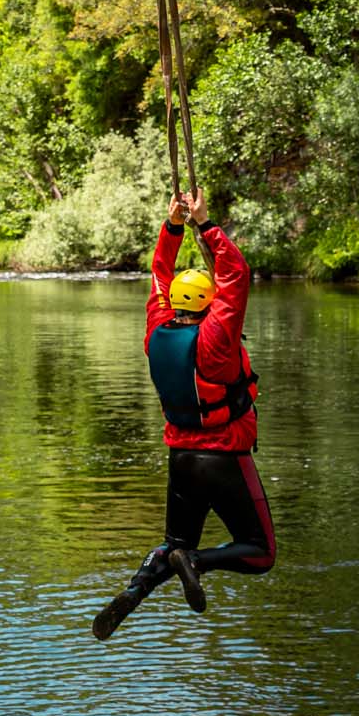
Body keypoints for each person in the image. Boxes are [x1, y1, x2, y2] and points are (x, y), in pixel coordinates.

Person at [93, 190, 275, 638]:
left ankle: (138, 588)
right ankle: (195, 561)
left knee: (174, 542)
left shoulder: (156, 328)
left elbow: (159, 274)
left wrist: (174, 227)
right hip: (225, 457)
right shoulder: (217, 340)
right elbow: (237, 274)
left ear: (175, 301)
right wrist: (206, 226)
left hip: (181, 459)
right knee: (258, 553)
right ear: (209, 305)